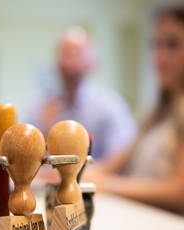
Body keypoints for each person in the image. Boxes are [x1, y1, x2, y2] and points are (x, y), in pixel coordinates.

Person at [84, 4, 184, 213]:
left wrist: (110, 186)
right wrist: (68, 171)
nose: (160, 56)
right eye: (155, 44)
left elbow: (179, 192)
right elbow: (112, 166)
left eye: (172, 44)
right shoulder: (155, 115)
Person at [31, 26, 136, 160]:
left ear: (93, 63)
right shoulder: (40, 108)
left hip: (95, 180)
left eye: (76, 53)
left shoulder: (111, 107)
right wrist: (45, 133)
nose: (69, 61)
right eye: (64, 53)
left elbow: (121, 158)